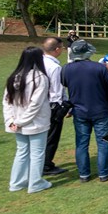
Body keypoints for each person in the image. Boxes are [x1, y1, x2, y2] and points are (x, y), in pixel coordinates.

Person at [61, 40, 108, 182]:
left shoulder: (66, 69)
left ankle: (84, 174)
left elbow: (64, 83)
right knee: (103, 142)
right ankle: (103, 173)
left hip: (79, 110)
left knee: (81, 143)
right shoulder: (99, 68)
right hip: (100, 109)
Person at [3, 46, 52, 193]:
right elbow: (35, 104)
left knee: (22, 152)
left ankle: (17, 182)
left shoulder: (14, 77)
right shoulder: (39, 78)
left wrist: (12, 120)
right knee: (36, 153)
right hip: (34, 122)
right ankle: (35, 182)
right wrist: (16, 121)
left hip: (19, 121)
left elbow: (7, 102)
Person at [41, 37, 70, 175]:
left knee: (43, 135)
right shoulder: (55, 67)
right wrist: (62, 108)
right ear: (57, 49)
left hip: (40, 104)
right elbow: (57, 90)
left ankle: (41, 162)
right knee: (52, 136)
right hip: (53, 104)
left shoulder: (39, 62)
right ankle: (46, 164)